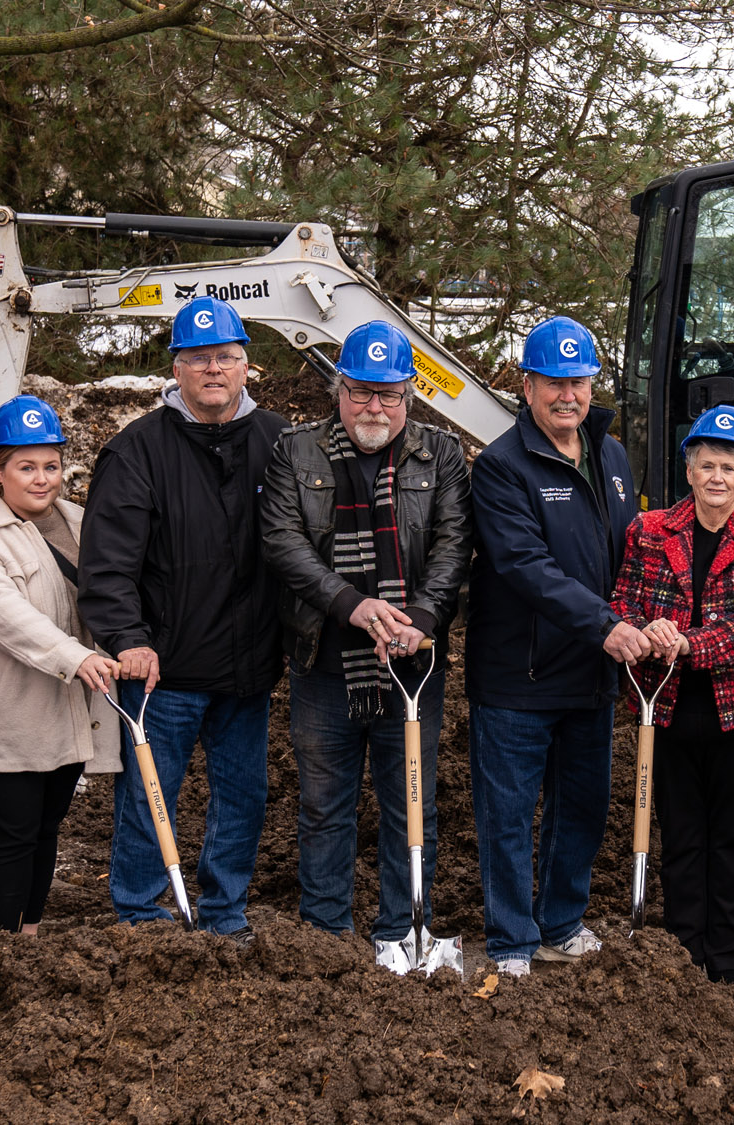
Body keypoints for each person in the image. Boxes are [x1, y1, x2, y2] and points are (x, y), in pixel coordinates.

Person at [260, 321, 472, 968]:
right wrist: (350, 605)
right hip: (325, 662)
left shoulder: (441, 455)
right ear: (339, 391)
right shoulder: (295, 451)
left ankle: (402, 931)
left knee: (411, 803)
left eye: (389, 394)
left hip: (412, 665)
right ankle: (325, 935)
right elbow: (282, 541)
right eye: (360, 392)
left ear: (408, 396)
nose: (374, 407)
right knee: (324, 805)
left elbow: (454, 543)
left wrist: (422, 618)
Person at [79, 296, 289, 937]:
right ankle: (142, 915)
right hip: (162, 671)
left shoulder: (279, 442)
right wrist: (128, 640)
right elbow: (107, 565)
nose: (213, 369)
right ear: (177, 369)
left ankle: (225, 912)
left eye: (225, 356)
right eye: (198, 359)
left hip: (249, 666)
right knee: (150, 796)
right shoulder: (137, 451)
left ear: (247, 366)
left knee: (243, 797)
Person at [467, 315, 648, 978]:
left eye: (578, 381)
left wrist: (646, 618)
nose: (567, 395)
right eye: (553, 382)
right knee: (509, 816)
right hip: (520, 674)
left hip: (592, 672)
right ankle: (512, 940)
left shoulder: (611, 455)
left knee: (583, 809)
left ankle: (561, 923)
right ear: (527, 386)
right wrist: (607, 625)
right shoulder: (501, 466)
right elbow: (525, 565)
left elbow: (631, 552)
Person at [608, 406, 734, 984]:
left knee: (729, 838)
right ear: (688, 471)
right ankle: (686, 959)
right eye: (706, 465)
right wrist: (647, 630)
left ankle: (725, 962)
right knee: (681, 835)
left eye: (729, 468)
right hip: (666, 706)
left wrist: (689, 642)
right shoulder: (649, 530)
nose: (716, 477)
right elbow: (623, 600)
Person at [0, 395, 121, 934]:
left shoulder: (81, 521)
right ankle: (4, 946)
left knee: (47, 830)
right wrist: (77, 657)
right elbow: (9, 618)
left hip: (69, 703)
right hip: (12, 711)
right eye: (26, 467)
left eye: (51, 465)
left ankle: (32, 937)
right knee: (15, 834)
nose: (42, 479)